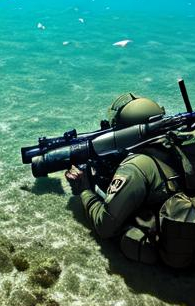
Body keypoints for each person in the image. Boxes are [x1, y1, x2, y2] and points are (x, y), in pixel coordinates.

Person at [64, 93, 181, 264]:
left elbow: (104, 227)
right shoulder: (178, 141)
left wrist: (85, 190)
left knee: (125, 237)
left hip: (174, 246)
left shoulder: (134, 168)